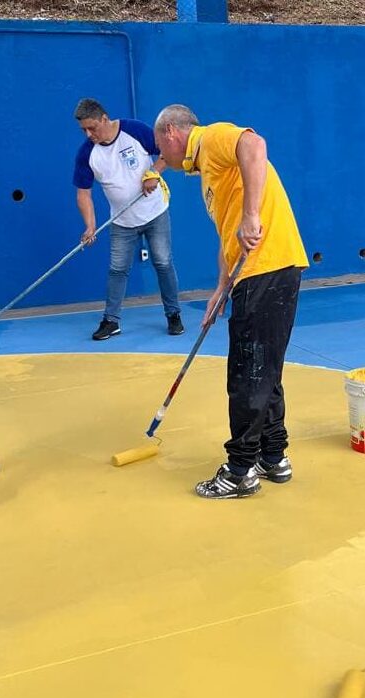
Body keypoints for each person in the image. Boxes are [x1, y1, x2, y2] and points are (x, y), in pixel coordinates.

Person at [153, 104, 309, 499]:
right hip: (257, 270)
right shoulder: (209, 170)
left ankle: (240, 470)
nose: (161, 156)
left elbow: (254, 145)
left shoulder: (210, 138)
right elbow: (228, 232)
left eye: (160, 146)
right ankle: (273, 456)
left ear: (171, 132)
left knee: (247, 372)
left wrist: (252, 215)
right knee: (264, 368)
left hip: (267, 265)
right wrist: (221, 287)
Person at [73, 98, 184, 340]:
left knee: (163, 263)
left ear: (104, 118)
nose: (89, 134)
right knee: (117, 269)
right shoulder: (87, 154)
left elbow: (167, 153)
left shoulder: (134, 130)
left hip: (154, 212)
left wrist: (154, 172)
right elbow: (83, 194)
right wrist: (90, 226)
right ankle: (111, 321)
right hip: (121, 221)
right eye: (84, 130)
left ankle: (173, 314)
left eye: (92, 127)